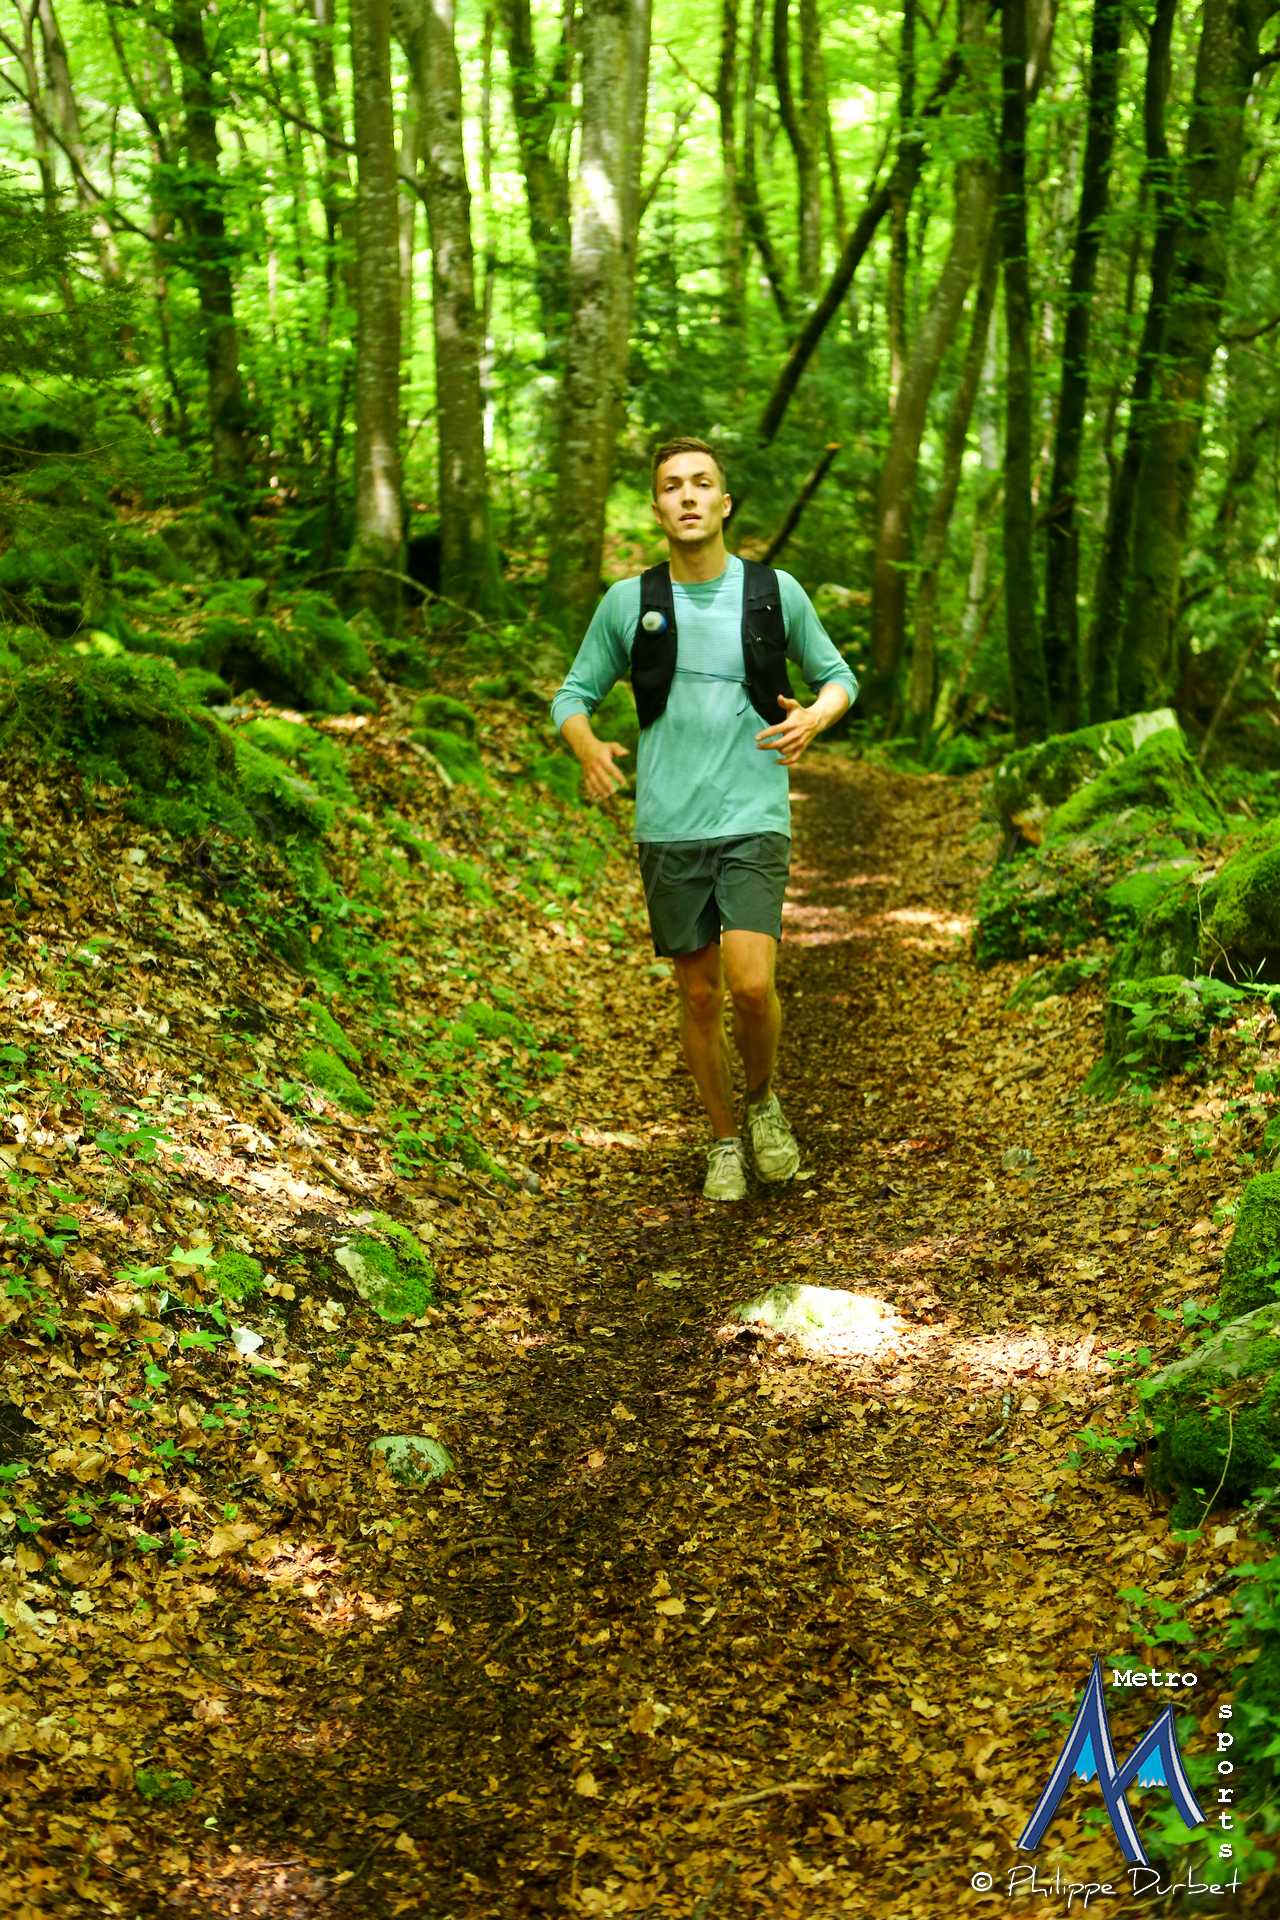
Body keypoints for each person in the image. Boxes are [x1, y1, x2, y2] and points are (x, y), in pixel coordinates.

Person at [550, 436, 858, 1201]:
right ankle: (722, 1140)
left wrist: (814, 717)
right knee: (697, 994)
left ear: (724, 503)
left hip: (755, 814)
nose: (686, 495)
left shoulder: (774, 592)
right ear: (657, 507)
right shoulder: (629, 603)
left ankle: (763, 1102)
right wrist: (588, 748)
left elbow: (838, 677)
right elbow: (571, 697)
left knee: (750, 985)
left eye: (701, 483)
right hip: (668, 823)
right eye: (671, 485)